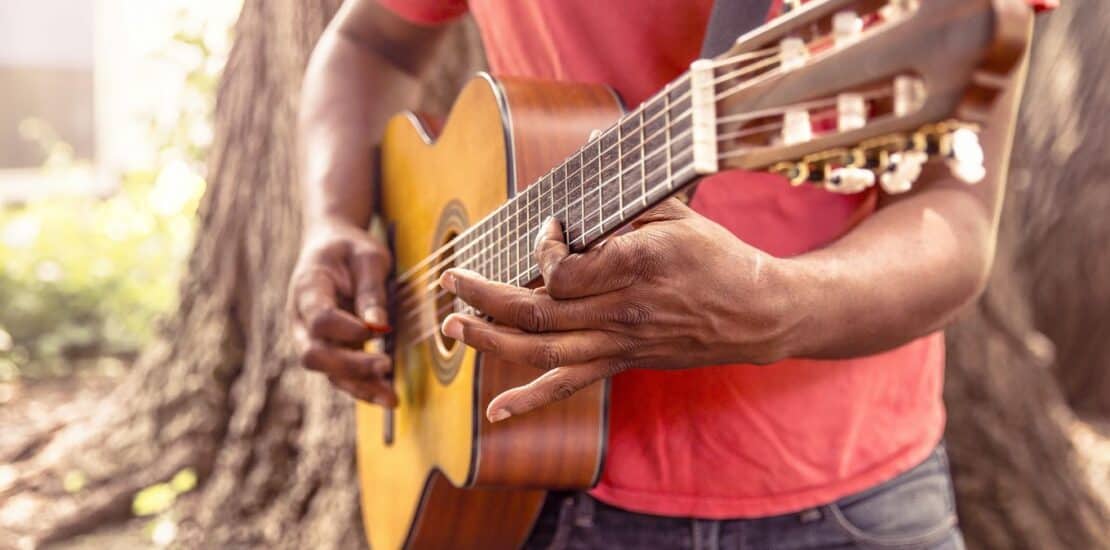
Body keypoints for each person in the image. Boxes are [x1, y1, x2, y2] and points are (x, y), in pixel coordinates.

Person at [288, 1, 1052, 548]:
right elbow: (371, 43)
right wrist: (331, 220)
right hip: (528, 486)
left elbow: (955, 216)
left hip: (851, 498)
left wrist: (779, 306)